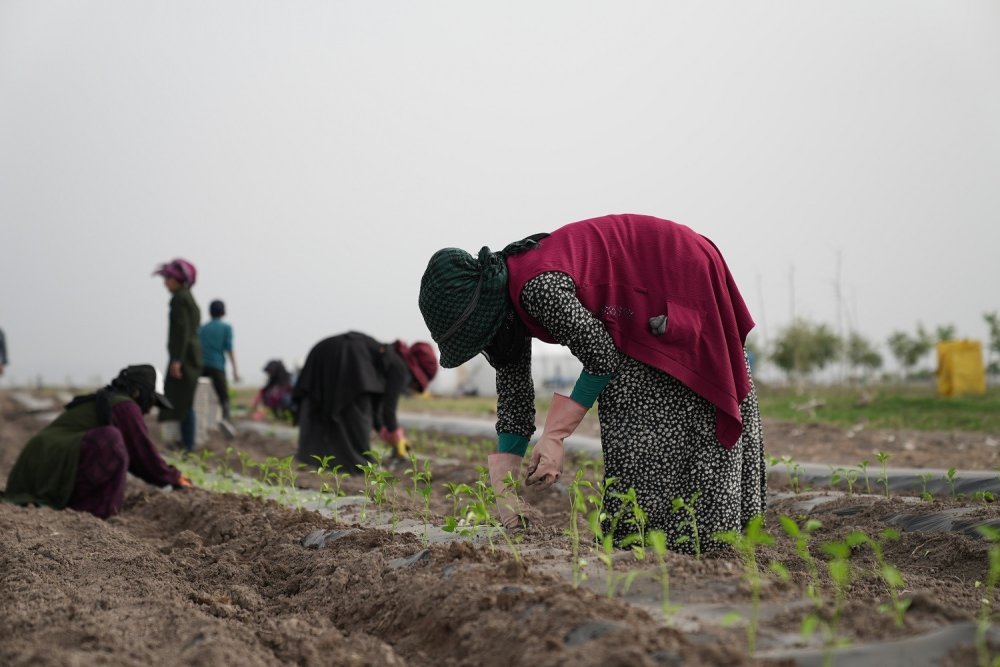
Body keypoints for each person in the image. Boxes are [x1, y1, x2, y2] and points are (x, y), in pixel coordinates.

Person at [418, 213, 766, 553]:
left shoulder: (537, 289)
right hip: (652, 286)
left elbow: (601, 354)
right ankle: (654, 541)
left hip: (675, 273)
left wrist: (555, 436)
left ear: (482, 310)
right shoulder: (507, 312)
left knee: (642, 414)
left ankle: (687, 543)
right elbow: (515, 404)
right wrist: (506, 501)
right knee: (630, 404)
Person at [2, 365, 192, 519]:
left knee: (114, 442)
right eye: (152, 402)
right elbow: (142, 453)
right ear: (137, 392)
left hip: (37, 464)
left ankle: (86, 509)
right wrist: (173, 477)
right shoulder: (125, 406)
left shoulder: (111, 401)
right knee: (110, 440)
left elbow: (137, 457)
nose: (150, 410)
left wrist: (168, 476)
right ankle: (91, 510)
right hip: (44, 464)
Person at [293, 332, 438, 471]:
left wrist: (382, 429)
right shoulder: (401, 367)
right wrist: (395, 435)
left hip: (324, 351)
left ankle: (311, 460)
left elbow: (377, 407)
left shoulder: (388, 358)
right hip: (347, 355)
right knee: (357, 417)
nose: (410, 387)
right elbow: (389, 407)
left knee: (321, 409)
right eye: (415, 384)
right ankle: (357, 467)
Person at [152, 258, 203, 452]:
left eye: (168, 278)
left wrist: (177, 360)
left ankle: (188, 446)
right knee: (183, 402)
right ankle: (186, 444)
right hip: (190, 357)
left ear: (178, 279)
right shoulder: (187, 297)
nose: (165, 282)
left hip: (185, 358)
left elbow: (181, 332)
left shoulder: (180, 299)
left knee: (182, 403)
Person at [199, 299, 240, 438]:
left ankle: (201, 425)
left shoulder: (203, 328)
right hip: (217, 366)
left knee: (201, 396)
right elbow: (229, 349)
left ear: (210, 312)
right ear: (223, 312)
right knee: (223, 397)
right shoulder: (226, 328)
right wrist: (235, 369)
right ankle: (226, 422)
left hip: (202, 366)